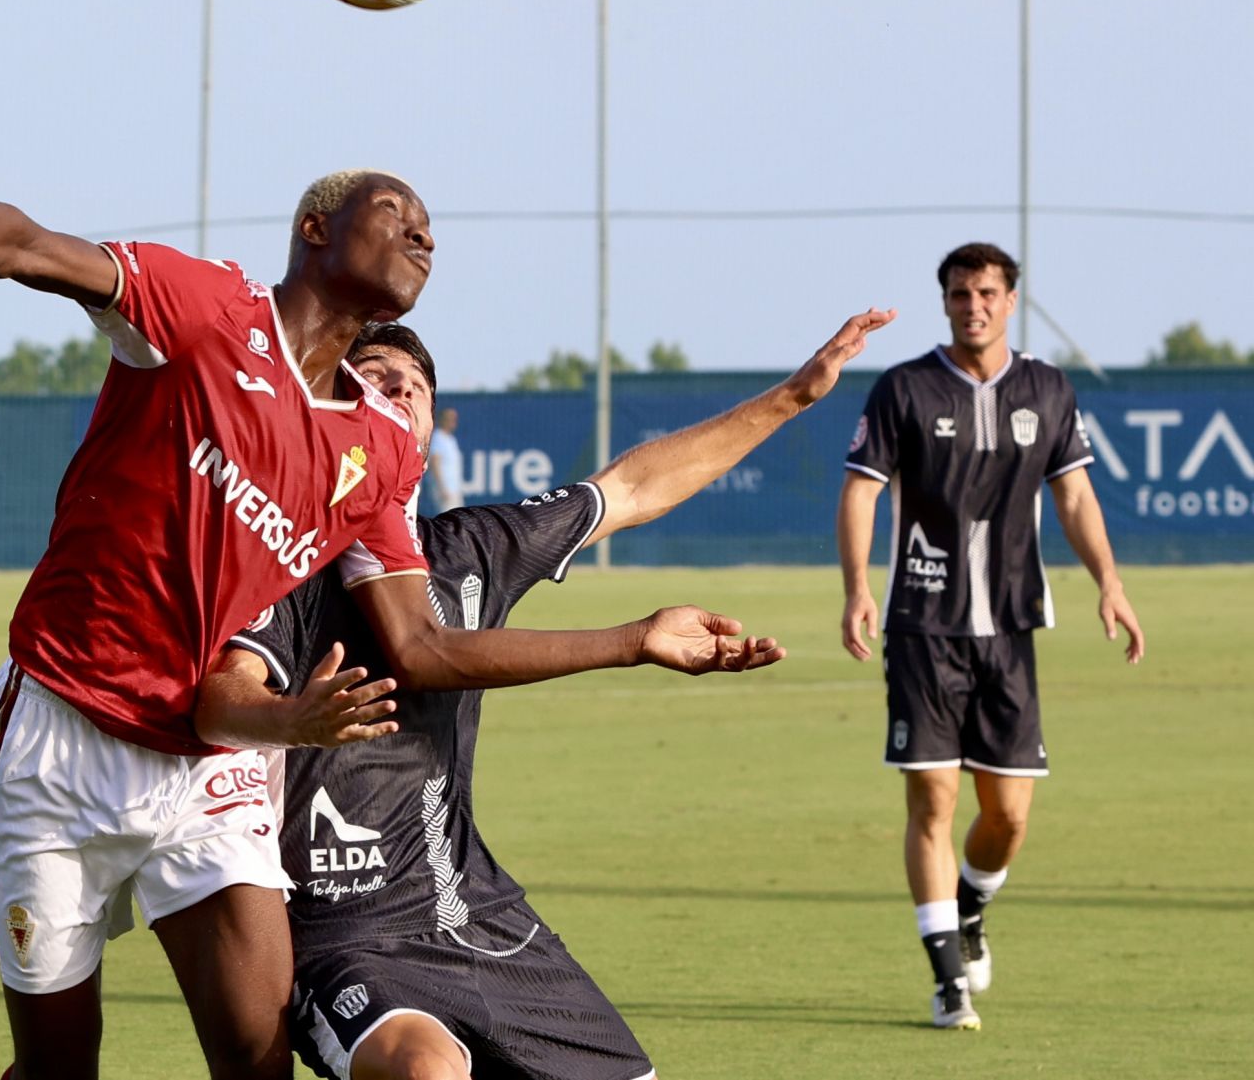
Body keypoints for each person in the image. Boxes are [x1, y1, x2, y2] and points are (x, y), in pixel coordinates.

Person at [0, 164, 783, 1080]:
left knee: (257, 1064)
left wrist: (632, 639)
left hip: (205, 764)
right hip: (61, 734)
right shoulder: (209, 307)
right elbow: (30, 248)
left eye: (431, 229)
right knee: (57, 1071)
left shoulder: (378, 448)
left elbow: (422, 646)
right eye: (396, 215)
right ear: (315, 228)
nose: (422, 237)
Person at [197, 309, 889, 1080]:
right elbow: (222, 693)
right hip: (351, 933)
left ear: (425, 433)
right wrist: (293, 719)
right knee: (424, 1073)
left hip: (485, 919)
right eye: (377, 377)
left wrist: (793, 396)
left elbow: (630, 487)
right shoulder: (285, 557)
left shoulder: (471, 550)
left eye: (415, 386)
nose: (397, 391)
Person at [837, 241, 1144, 1031]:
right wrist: (857, 588)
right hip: (921, 626)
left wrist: (1109, 580)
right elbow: (861, 491)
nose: (972, 305)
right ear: (944, 301)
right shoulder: (905, 387)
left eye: (986, 293)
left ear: (1011, 300)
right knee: (933, 797)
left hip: (1010, 629)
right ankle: (948, 981)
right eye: (959, 293)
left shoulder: (1047, 387)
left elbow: (1074, 494)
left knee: (1006, 816)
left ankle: (971, 904)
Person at [427, 407, 464, 512]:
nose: (453, 422)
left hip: (454, 489)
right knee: (448, 523)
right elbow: (434, 463)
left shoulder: (451, 439)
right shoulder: (438, 438)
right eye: (449, 419)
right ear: (442, 419)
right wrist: (442, 488)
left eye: (454, 419)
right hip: (445, 489)